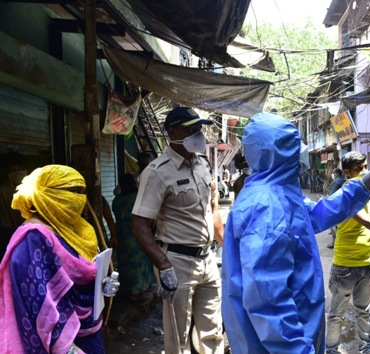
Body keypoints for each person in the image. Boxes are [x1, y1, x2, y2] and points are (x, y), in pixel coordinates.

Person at [221, 112, 370, 354]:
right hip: (280, 345)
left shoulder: (278, 191)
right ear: (276, 152)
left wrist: (360, 187)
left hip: (290, 334)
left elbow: (317, 215)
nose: (298, 154)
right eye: (292, 147)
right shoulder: (267, 205)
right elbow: (268, 299)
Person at [132, 107, 224, 353]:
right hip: (177, 261)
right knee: (178, 335)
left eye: (199, 129)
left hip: (207, 259)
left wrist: (226, 246)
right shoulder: (156, 172)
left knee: (213, 332)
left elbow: (212, 208)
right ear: (172, 132)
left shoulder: (203, 164)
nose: (198, 134)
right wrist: (163, 265)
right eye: (191, 129)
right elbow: (139, 224)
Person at [0, 165, 119, 353]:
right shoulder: (33, 238)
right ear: (47, 194)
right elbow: (35, 299)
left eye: (81, 192)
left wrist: (101, 286)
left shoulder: (78, 229)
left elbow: (82, 274)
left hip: (90, 327)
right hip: (61, 341)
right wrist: (66, 346)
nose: (78, 199)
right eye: (71, 192)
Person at [326, 151, 370, 354]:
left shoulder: (365, 192)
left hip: (366, 261)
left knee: (364, 311)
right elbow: (367, 222)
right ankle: (332, 350)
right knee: (337, 313)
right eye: (358, 169)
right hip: (345, 263)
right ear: (346, 172)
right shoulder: (347, 194)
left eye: (365, 167)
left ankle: (366, 349)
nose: (364, 171)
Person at [112, 173, 155, 302]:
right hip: (136, 231)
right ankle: (137, 291)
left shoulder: (116, 200)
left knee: (125, 262)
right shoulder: (137, 198)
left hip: (121, 232)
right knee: (139, 261)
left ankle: (127, 288)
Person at [0, 152, 27, 259]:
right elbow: (4, 218)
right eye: (12, 170)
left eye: (20, 169)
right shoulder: (4, 190)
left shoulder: (35, 186)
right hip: (14, 233)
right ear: (7, 172)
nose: (17, 173)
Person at [327, 168, 346, 249]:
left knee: (332, 224)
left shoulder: (336, 181)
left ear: (336, 174)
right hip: (344, 205)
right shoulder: (344, 180)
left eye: (334, 173)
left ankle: (335, 242)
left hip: (336, 205)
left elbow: (333, 195)